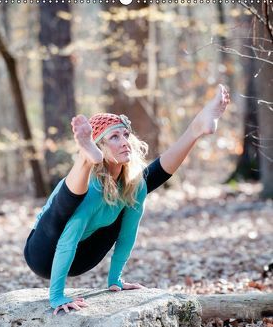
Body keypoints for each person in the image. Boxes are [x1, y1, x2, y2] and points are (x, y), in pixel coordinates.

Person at [24, 84, 230, 315]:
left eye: (125, 135)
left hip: (83, 257)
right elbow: (66, 239)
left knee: (136, 185)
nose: (124, 141)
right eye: (114, 137)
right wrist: (57, 296)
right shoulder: (91, 188)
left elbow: (127, 234)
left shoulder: (134, 185)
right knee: (68, 206)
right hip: (44, 253)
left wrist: (115, 280)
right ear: (99, 145)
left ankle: (197, 128)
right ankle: (84, 158)